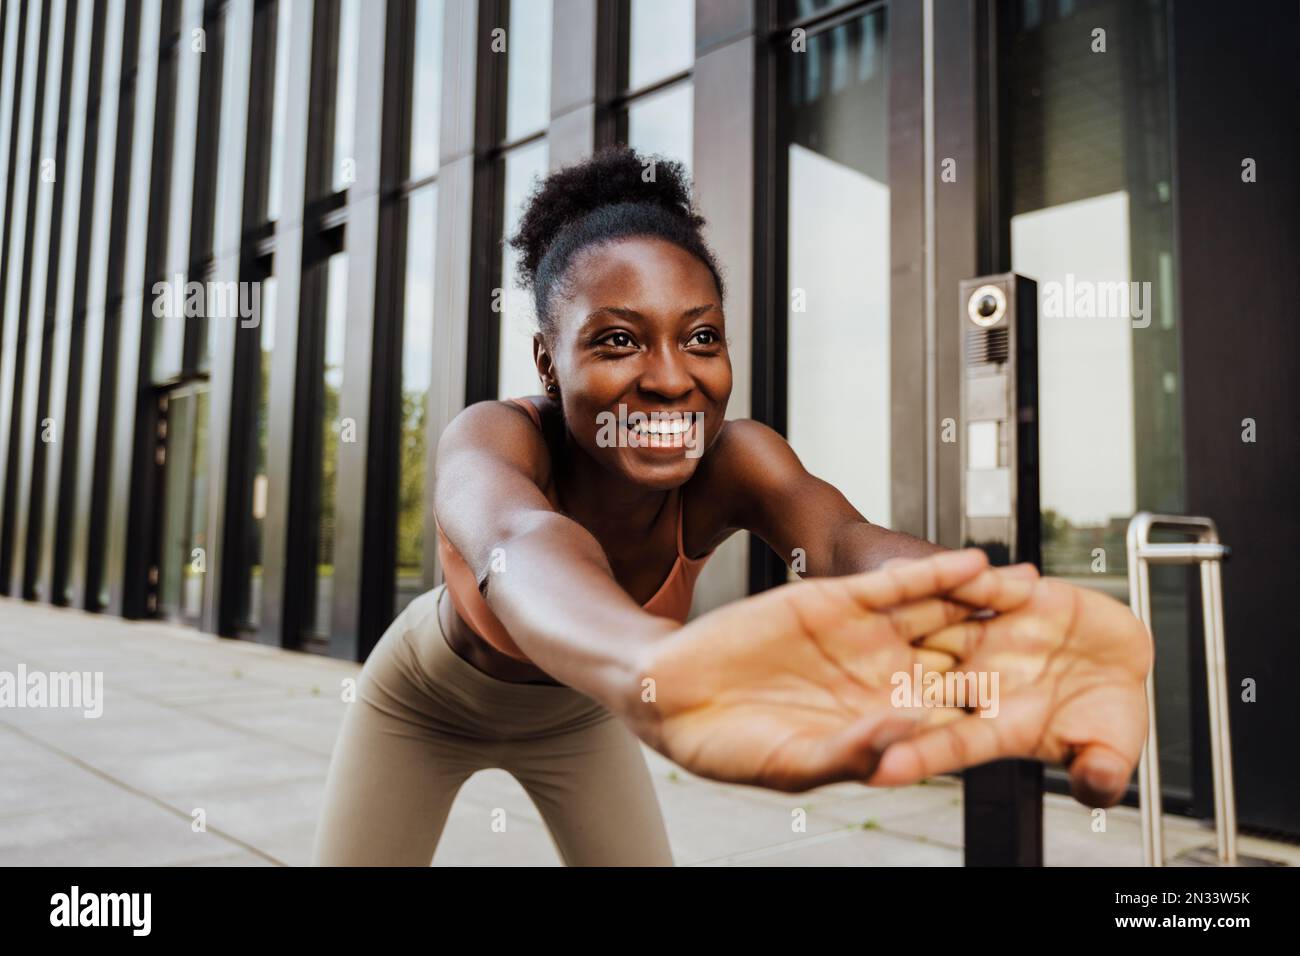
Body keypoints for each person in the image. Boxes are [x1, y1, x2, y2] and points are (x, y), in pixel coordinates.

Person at [312, 146, 1150, 866]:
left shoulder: (734, 458)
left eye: (701, 336)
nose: (674, 377)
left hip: (581, 715)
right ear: (545, 359)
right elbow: (519, 541)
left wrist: (996, 611)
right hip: (426, 703)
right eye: (617, 339)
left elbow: (844, 544)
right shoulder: (494, 439)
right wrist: (658, 670)